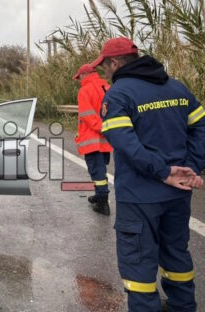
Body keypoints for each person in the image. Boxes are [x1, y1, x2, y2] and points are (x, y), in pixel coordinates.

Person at [92, 37, 205, 312]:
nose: (105, 72)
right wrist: (192, 166)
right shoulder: (177, 87)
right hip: (178, 194)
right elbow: (201, 126)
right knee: (176, 256)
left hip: (140, 198)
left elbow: (126, 144)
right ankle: (183, 306)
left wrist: (163, 171)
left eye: (104, 67)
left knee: (139, 267)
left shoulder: (119, 94)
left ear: (114, 63)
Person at [73, 64, 113, 215]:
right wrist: (108, 129)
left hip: (92, 138)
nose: (79, 80)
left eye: (79, 77)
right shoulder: (106, 86)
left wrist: (101, 127)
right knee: (101, 169)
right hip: (106, 138)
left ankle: (102, 203)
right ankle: (98, 196)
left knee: (97, 173)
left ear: (84, 75)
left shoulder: (85, 90)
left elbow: (88, 115)